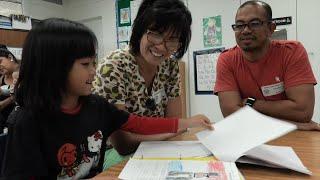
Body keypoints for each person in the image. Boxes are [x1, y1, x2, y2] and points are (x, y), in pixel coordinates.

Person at [1, 18, 213, 179]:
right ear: (53, 68)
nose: (94, 71)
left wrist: (188, 122)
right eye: (86, 64)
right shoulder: (26, 122)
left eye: (94, 62)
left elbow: (139, 123)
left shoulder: (97, 106)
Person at [93, 0, 193, 168]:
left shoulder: (170, 66)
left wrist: (173, 131)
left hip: (158, 151)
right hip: (113, 156)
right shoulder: (113, 67)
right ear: (140, 29)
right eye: (156, 33)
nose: (162, 47)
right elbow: (123, 144)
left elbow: (176, 123)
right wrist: (169, 132)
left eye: (172, 40)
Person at [214, 0, 319, 129]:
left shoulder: (292, 52)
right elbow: (231, 115)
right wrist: (294, 125)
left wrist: (250, 103)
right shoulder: (227, 59)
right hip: (248, 136)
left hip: (293, 137)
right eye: (239, 25)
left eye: (254, 23)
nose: (246, 30)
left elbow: (303, 111)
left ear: (271, 28)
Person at [0, 45, 19, 127]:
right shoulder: (1, 78)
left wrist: (8, 101)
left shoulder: (24, 73)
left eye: (0, 61)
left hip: (17, 124)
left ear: (10, 57)